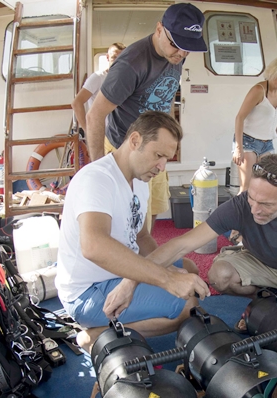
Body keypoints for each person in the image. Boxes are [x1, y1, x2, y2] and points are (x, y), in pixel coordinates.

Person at [117, 154, 277, 344]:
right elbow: (181, 244)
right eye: (252, 198)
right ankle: (264, 299)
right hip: (257, 261)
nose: (255, 210)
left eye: (266, 204)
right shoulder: (240, 206)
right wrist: (131, 281)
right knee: (219, 276)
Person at [55, 112, 210, 353]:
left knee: (189, 269)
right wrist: (166, 279)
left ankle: (117, 324)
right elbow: (93, 245)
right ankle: (98, 335)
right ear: (135, 141)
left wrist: (167, 268)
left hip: (119, 275)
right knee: (188, 307)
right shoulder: (97, 179)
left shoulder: (139, 181)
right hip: (88, 291)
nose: (161, 167)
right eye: (158, 156)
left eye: (167, 159)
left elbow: (141, 237)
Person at [86, 3, 207, 232]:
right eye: (176, 45)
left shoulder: (177, 55)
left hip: (155, 147)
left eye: (187, 47)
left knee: (150, 211)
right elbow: (95, 115)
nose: (181, 54)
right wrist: (98, 170)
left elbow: (168, 93)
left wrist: (171, 137)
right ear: (159, 28)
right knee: (123, 218)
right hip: (124, 149)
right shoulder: (131, 64)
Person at [233, 56, 277, 195]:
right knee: (246, 188)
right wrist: (238, 148)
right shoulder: (258, 90)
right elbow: (239, 117)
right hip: (248, 141)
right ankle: (240, 215)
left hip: (267, 143)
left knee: (264, 186)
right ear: (272, 76)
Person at [71, 43, 125, 136]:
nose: (118, 61)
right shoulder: (97, 77)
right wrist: (88, 131)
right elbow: (77, 103)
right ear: (107, 57)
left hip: (122, 134)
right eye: (114, 57)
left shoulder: (128, 79)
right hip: (103, 135)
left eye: (121, 58)